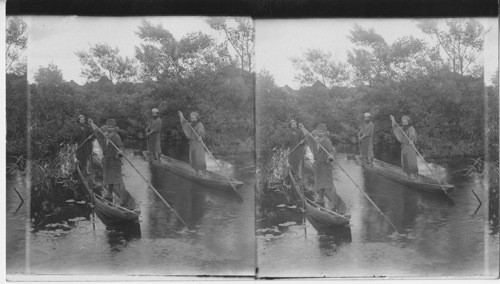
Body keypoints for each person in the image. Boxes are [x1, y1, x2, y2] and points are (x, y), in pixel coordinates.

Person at [87, 118, 137, 210]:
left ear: (115, 128)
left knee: (118, 180)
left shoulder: (116, 136)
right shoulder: (103, 135)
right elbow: (97, 131)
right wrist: (92, 123)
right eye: (108, 127)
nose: (110, 129)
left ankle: (123, 199)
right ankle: (109, 194)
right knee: (108, 178)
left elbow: (121, 146)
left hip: (115, 160)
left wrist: (120, 152)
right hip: (106, 161)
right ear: (106, 127)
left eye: (112, 127)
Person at [299, 123, 346, 214]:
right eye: (319, 131)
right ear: (317, 132)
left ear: (325, 133)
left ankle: (334, 203)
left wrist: (331, 156)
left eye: (323, 132)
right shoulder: (314, 140)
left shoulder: (327, 141)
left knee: (329, 185)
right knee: (319, 183)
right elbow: (308, 136)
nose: (321, 133)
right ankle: (320, 199)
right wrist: (303, 128)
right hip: (317, 166)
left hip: (325, 165)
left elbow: (331, 151)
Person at [390, 115, 418, 181]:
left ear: (408, 122)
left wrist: (411, 140)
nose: (404, 123)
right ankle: (408, 177)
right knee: (405, 162)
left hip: (410, 147)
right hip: (403, 147)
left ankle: (415, 178)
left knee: (412, 162)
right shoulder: (402, 128)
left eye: (406, 122)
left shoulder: (411, 128)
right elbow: (395, 128)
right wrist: (393, 120)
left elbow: (412, 134)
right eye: (403, 122)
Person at [179, 111, 207, 176]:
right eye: (192, 118)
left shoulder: (200, 124)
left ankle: (204, 175)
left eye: (194, 118)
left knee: (200, 159)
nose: (193, 120)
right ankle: (196, 173)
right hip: (192, 144)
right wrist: (182, 117)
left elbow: (201, 131)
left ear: (197, 118)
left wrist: (200, 136)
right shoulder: (190, 125)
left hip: (198, 144)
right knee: (193, 158)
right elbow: (184, 124)